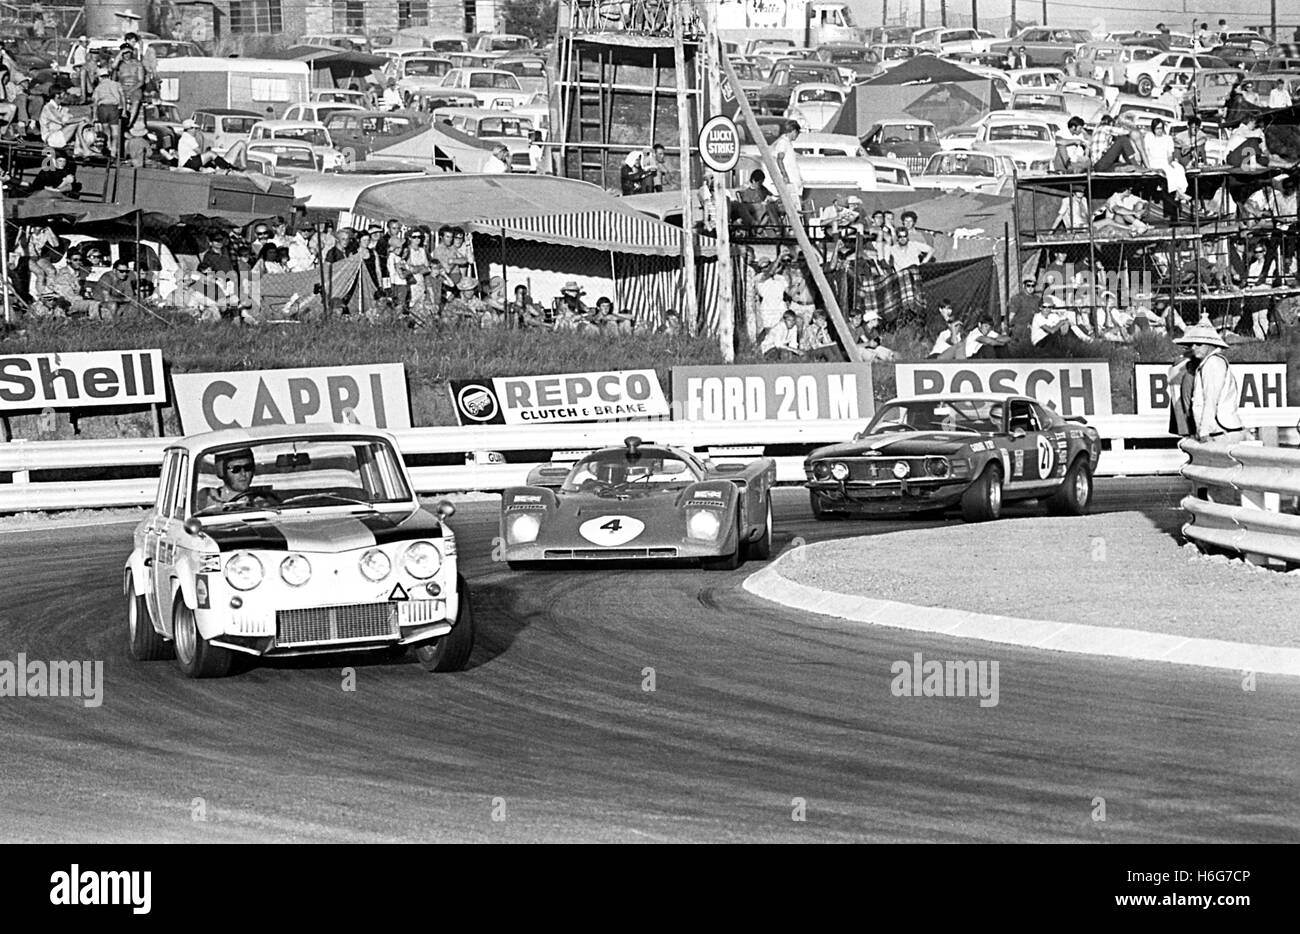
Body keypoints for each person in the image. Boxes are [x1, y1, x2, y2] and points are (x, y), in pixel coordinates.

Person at [1175, 318, 1243, 444]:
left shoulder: (1213, 363)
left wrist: (1204, 433)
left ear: (1210, 345)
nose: (1194, 347)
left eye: (1199, 344)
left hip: (1220, 432)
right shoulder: (1209, 363)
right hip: (1218, 430)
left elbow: (1210, 400)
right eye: (1192, 344)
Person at [196, 449, 279, 512]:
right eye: (236, 469)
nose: (243, 474)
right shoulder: (208, 497)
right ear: (222, 471)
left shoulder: (263, 500)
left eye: (247, 468)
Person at [1145, 118, 1189, 205]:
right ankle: (1177, 192)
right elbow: (1146, 152)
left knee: (1179, 168)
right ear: (1153, 128)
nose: (1159, 131)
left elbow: (1169, 154)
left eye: (1161, 128)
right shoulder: (1149, 137)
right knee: (1168, 170)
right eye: (1157, 128)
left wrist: (1169, 162)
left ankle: (1180, 190)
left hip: (1165, 160)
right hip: (1154, 161)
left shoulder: (1168, 139)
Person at [769, 119, 804, 213]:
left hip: (794, 181)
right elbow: (779, 159)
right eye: (797, 133)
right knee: (793, 207)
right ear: (793, 131)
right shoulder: (783, 143)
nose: (797, 136)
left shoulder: (788, 143)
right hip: (790, 181)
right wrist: (784, 175)